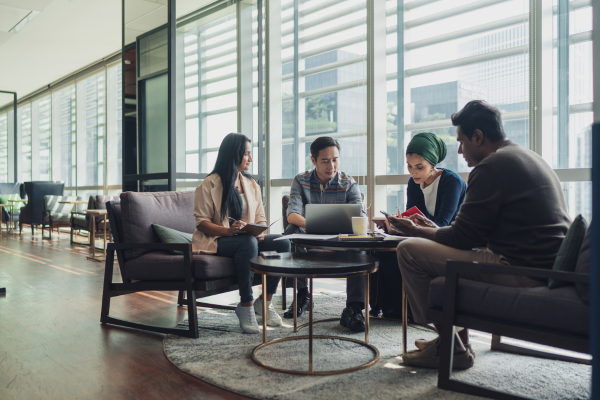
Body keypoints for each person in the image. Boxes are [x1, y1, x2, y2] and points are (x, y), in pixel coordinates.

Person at [387, 100, 571, 369]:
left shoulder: (490, 167)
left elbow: (462, 238)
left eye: (462, 142)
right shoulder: (525, 155)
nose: (459, 150)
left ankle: (450, 347)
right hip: (546, 266)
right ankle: (452, 343)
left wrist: (415, 230)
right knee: (435, 251)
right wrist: (431, 228)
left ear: (478, 136)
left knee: (408, 250)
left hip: (522, 269)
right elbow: (477, 232)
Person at [193, 133, 291, 334]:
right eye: (247, 154)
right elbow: (202, 223)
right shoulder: (208, 185)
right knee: (247, 242)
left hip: (246, 239)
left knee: (282, 242)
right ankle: (245, 305)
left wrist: (260, 231)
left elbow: (261, 217)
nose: (251, 159)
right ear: (233, 154)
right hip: (216, 240)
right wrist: (228, 231)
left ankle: (265, 302)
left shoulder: (252, 185)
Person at [374, 132, 466, 319]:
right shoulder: (413, 183)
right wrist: (396, 224)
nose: (413, 172)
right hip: (422, 236)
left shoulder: (452, 182)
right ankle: (390, 307)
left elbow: (442, 224)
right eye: (409, 166)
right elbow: (411, 215)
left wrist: (412, 225)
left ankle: (406, 309)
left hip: (448, 239)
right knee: (382, 250)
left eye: (419, 167)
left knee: (400, 253)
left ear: (433, 164)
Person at [285, 136, 367, 332]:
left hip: (341, 239)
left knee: (361, 244)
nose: (331, 165)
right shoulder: (300, 180)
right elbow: (292, 215)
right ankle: (303, 295)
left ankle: (354, 307)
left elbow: (359, 215)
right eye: (325, 161)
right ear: (313, 160)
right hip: (308, 237)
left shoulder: (348, 183)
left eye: (335, 159)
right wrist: (315, 226)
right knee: (291, 233)